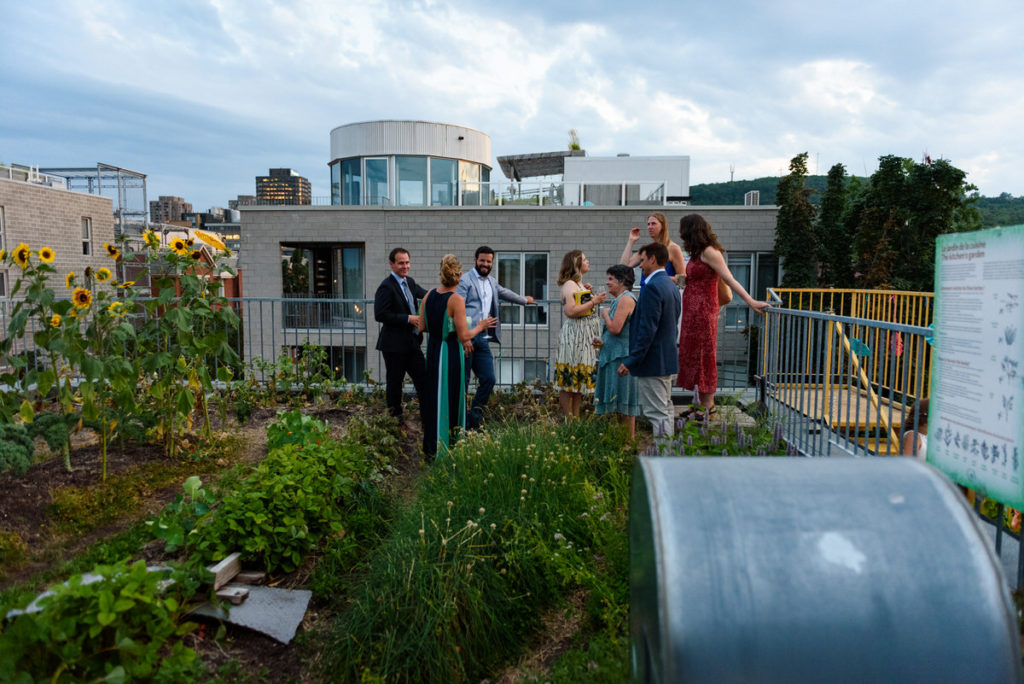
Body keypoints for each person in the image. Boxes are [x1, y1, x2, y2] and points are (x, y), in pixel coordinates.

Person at [676, 214, 770, 418]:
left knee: (704, 356)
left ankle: (709, 406)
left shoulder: (710, 252)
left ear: (692, 230)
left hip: (704, 312)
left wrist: (751, 301)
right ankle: (699, 403)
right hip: (692, 313)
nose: (681, 234)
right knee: (693, 355)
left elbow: (730, 279)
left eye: (684, 230)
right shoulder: (696, 253)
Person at [421, 255, 497, 458]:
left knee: (434, 398)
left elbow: (422, 325)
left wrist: (441, 326)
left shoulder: (429, 295)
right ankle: (450, 446)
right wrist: (480, 326)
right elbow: (464, 336)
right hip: (450, 353)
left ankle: (431, 447)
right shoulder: (456, 299)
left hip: (433, 350)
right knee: (451, 396)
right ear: (460, 276)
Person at [457, 246, 535, 428]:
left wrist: (525, 300)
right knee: (463, 382)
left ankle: (472, 421)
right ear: (475, 260)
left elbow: (505, 292)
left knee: (489, 379)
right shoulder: (465, 280)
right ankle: (457, 423)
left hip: (482, 339)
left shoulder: (491, 281)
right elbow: (457, 309)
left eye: (489, 261)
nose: (485, 264)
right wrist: (464, 338)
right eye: (482, 260)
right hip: (467, 338)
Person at [618, 242, 681, 437]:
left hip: (653, 362)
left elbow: (647, 329)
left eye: (643, 260)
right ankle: (668, 455)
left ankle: (663, 459)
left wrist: (631, 360)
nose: (640, 266)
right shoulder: (671, 285)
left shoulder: (652, 288)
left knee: (657, 413)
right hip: (667, 358)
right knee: (666, 409)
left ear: (653, 259)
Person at [374, 247, 428, 421]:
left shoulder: (410, 282)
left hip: (412, 343)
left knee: (424, 379)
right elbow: (380, 314)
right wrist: (408, 319)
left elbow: (427, 295)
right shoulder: (386, 286)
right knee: (395, 384)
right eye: (401, 263)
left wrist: (448, 294)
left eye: (407, 262)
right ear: (392, 264)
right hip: (393, 345)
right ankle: (395, 421)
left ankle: (427, 418)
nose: (405, 266)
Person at [555, 250, 606, 417]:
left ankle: (575, 417)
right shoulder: (569, 284)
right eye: (584, 260)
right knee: (569, 377)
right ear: (576, 264)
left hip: (583, 336)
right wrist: (593, 301)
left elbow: (579, 304)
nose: (588, 261)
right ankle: (569, 418)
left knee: (578, 378)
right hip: (575, 336)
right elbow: (570, 310)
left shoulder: (579, 284)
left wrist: (587, 294)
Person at [594, 264, 639, 438]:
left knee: (625, 403)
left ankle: (629, 444)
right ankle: (623, 443)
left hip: (622, 357)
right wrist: (601, 341)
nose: (607, 283)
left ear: (621, 281)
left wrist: (604, 314)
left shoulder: (626, 299)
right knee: (619, 404)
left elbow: (616, 329)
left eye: (611, 279)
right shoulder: (619, 299)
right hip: (614, 355)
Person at [620, 213, 686, 287]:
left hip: (663, 294)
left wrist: (660, 278)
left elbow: (682, 280)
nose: (650, 227)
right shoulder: (647, 250)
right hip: (646, 293)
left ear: (663, 226)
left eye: (653, 224)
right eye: (648, 224)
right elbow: (623, 267)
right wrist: (631, 241)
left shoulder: (673, 248)